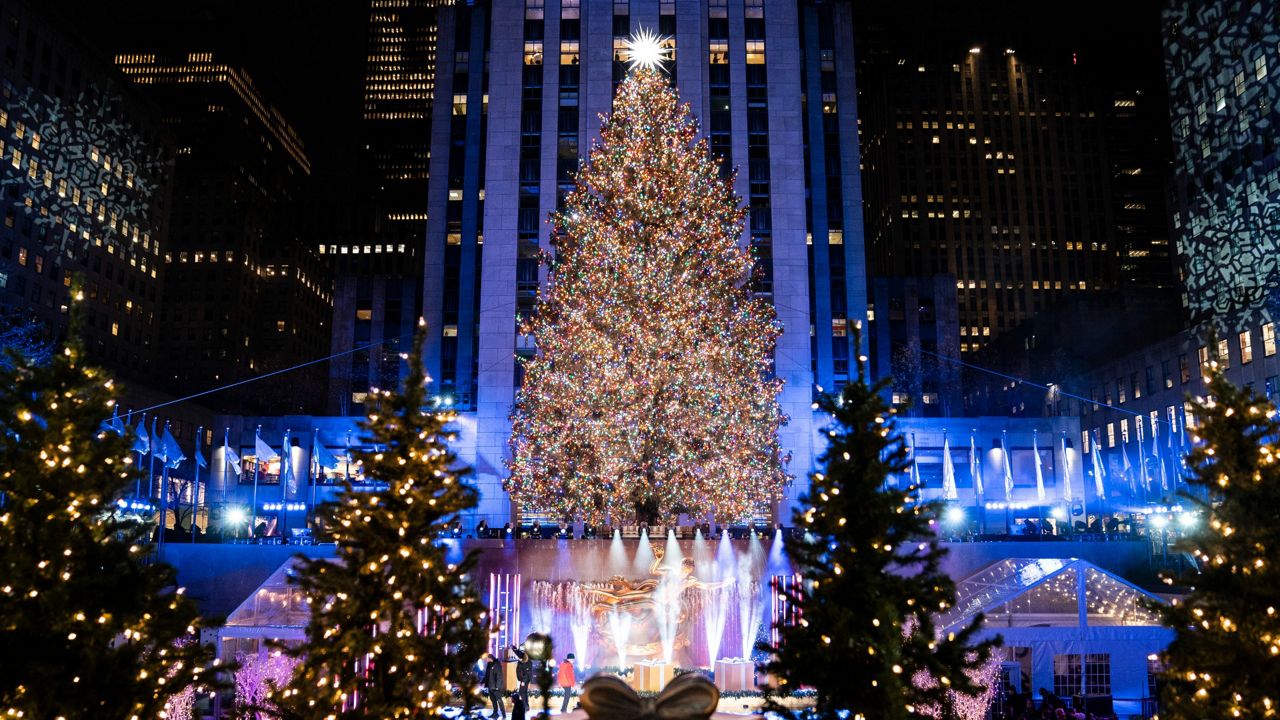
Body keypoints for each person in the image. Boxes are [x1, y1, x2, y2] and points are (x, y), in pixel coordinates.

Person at [484, 652, 507, 719]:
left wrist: (497, 686)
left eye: (487, 659)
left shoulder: (497, 664)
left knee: (499, 701)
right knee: (493, 701)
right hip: (490, 686)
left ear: (490, 658)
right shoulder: (489, 664)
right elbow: (487, 675)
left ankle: (504, 715)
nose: (486, 660)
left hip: (496, 687)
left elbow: (499, 676)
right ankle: (495, 714)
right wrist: (483, 681)